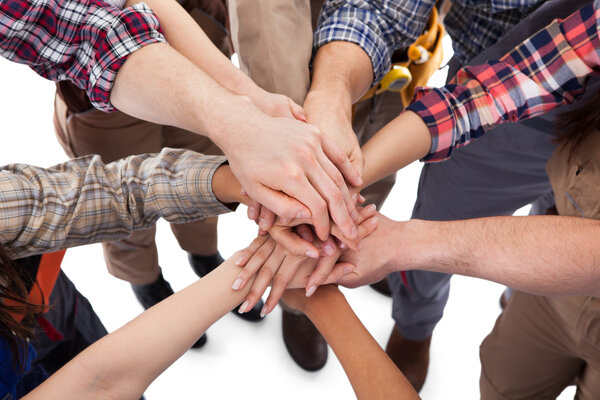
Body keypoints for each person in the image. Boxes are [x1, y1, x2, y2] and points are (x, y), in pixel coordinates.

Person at [0, 150, 378, 399]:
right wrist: (262, 267)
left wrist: (245, 186)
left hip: (36, 298)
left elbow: (104, 192)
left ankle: (191, 271)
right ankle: (151, 289)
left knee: (75, 334)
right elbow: (98, 384)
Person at [226, 0, 442, 372]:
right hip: (302, 57)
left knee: (370, 176)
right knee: (303, 194)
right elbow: (268, 24)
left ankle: (356, 245)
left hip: (402, 55)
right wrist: (302, 123)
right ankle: (301, 296)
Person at [52, 0, 265, 334]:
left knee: (209, 178)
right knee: (119, 202)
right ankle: (146, 280)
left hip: (201, 31)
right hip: (97, 74)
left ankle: (204, 255)